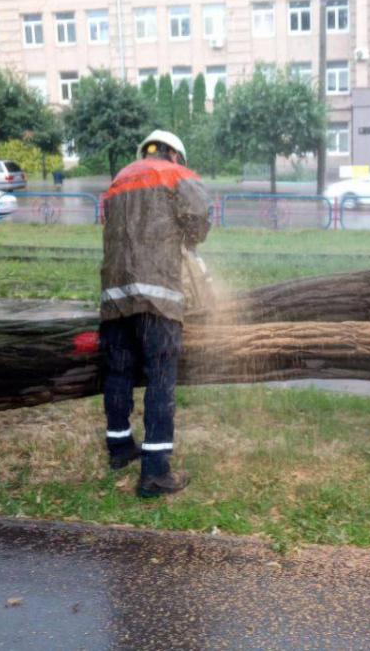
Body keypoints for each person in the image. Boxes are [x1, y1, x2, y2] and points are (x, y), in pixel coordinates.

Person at [99, 129, 211, 498]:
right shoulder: (177, 175)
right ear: (175, 154)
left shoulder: (119, 179)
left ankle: (119, 449)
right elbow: (197, 221)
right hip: (158, 297)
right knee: (161, 376)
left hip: (115, 296)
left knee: (118, 372)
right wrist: (189, 240)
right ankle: (156, 472)